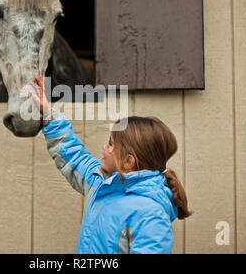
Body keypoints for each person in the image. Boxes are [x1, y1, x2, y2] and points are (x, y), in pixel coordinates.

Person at [30, 76, 192, 254]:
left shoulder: (151, 214)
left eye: (111, 144)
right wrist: (48, 114)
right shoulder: (101, 183)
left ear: (128, 161)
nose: (104, 148)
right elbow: (74, 155)